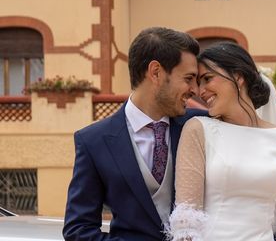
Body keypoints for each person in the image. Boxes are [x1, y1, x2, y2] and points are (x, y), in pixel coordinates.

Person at [167, 42, 276, 241]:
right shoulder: (198, 129)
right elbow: (187, 220)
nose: (201, 91)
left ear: (238, 77)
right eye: (199, 82)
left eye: (207, 79)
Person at [63, 27, 205, 240]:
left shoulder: (200, 125)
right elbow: (78, 229)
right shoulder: (93, 141)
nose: (196, 89)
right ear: (156, 72)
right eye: (189, 78)